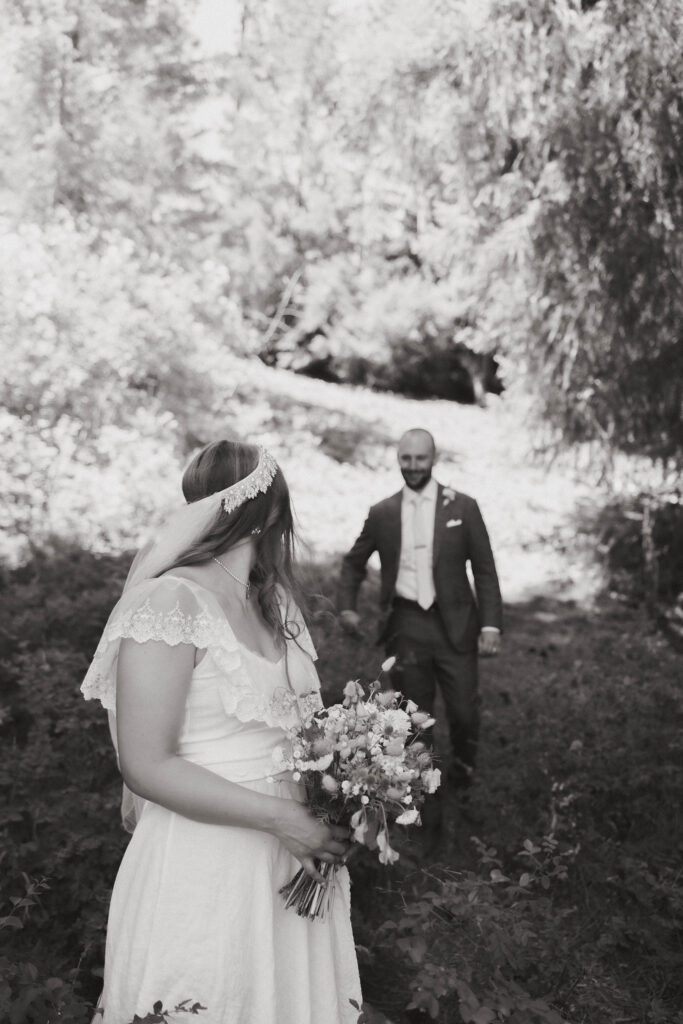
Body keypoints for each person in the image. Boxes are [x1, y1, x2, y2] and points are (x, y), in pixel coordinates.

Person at [82, 440, 361, 1024]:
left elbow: (300, 724)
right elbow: (146, 764)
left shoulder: (274, 602)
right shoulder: (169, 601)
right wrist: (284, 819)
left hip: (292, 857)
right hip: (206, 859)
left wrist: (350, 783)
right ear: (266, 511)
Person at [338, 428, 502, 841]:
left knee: (463, 712)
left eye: (420, 458)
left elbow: (484, 569)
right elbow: (353, 562)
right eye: (406, 459)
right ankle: (421, 798)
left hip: (455, 625)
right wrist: (347, 606)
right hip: (407, 624)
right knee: (414, 718)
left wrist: (490, 624)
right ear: (398, 459)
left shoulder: (463, 507)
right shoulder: (383, 512)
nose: (412, 466)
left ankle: (463, 780)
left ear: (434, 458)